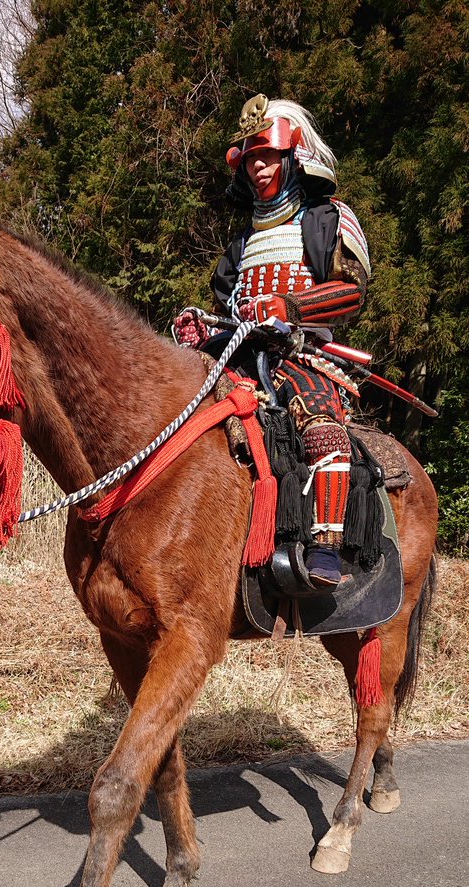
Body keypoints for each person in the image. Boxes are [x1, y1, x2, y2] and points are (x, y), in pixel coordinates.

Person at [174, 95, 371, 587]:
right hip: (238, 355)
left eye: (268, 154)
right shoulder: (241, 242)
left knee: (322, 428)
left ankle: (327, 547)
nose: (258, 166)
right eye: (250, 157)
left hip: (303, 354)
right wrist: (205, 326)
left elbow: (351, 291)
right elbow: (231, 308)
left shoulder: (327, 219)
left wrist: (292, 307)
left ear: (293, 155)